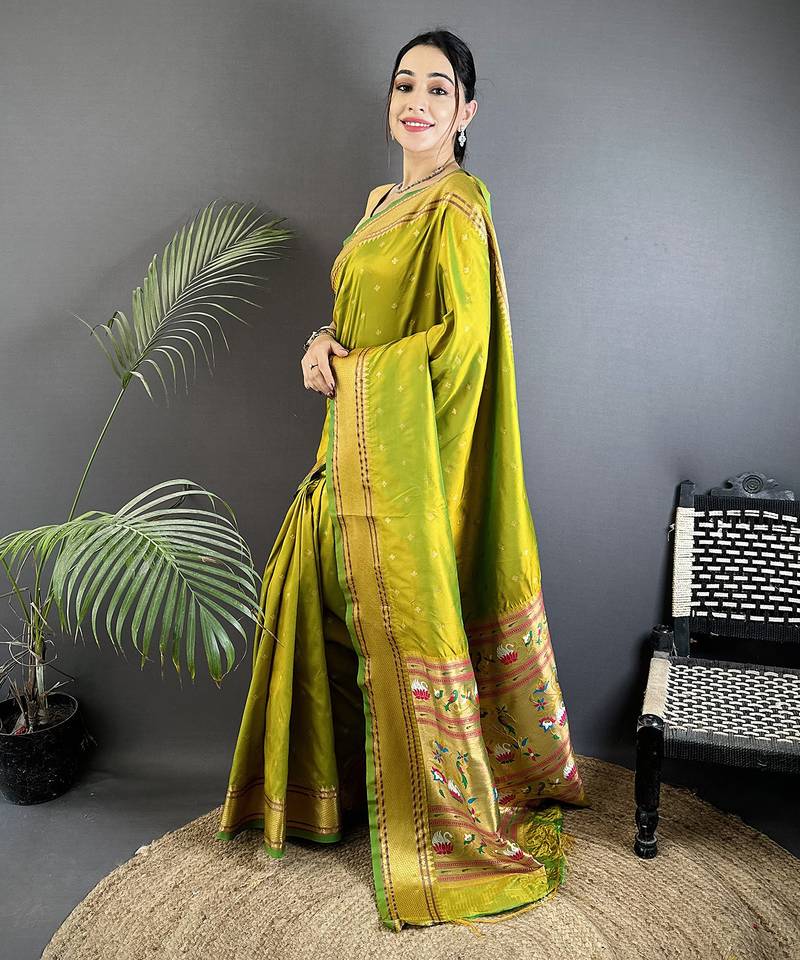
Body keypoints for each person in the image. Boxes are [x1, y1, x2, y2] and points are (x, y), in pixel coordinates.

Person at [216, 28, 589, 933]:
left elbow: (462, 353)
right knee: (313, 596)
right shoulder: (383, 202)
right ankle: (332, 800)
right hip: (350, 443)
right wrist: (321, 342)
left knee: (393, 616)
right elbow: (356, 316)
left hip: (407, 460)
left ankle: (434, 819)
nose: (415, 102)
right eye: (403, 85)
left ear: (467, 112)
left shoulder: (459, 210)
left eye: (437, 89)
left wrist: (357, 375)